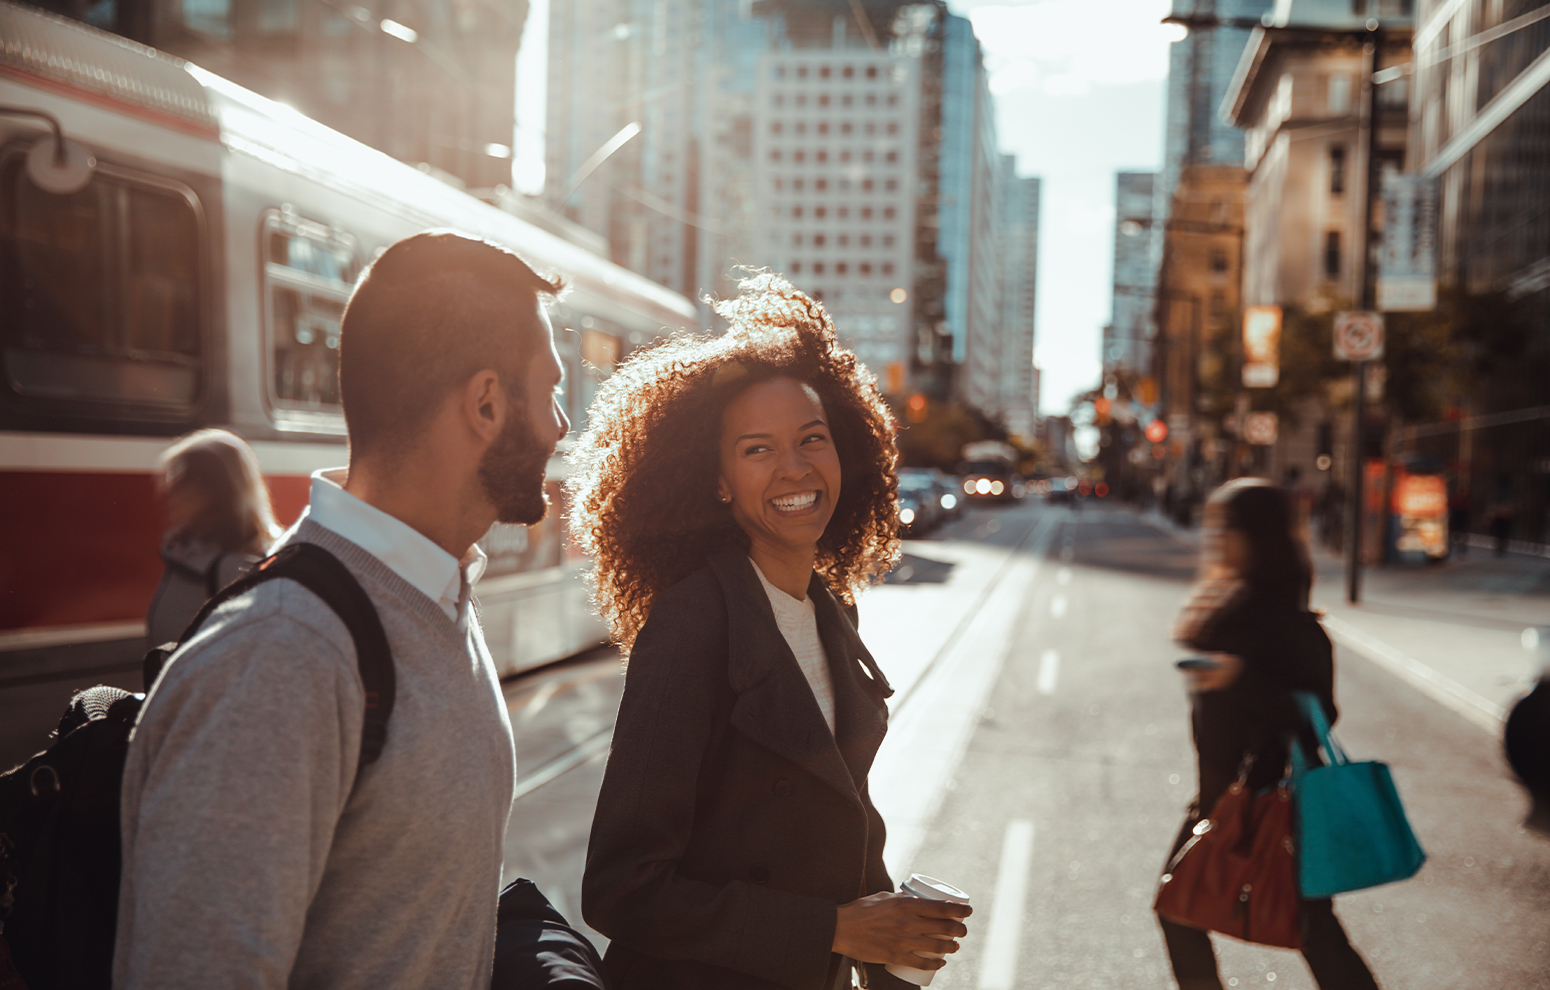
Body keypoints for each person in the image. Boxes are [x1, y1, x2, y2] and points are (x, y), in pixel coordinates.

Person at [115, 230, 569, 989]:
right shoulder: (280, 658)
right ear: (487, 403)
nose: (560, 425)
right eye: (550, 390)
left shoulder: (437, 599)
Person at [569, 274, 971, 990]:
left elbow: (844, 825)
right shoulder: (691, 623)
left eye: (812, 439)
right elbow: (622, 889)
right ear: (718, 480)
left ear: (845, 452)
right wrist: (835, 930)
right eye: (758, 449)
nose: (794, 468)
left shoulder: (831, 609)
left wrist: (890, 934)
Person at [1159, 478, 1380, 990]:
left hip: (1274, 804)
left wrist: (1237, 679)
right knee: (1181, 910)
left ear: (1259, 537)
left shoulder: (1294, 625)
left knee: (1311, 931)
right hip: (1220, 797)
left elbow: (1315, 715)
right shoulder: (1232, 604)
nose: (1216, 538)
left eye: (1228, 528)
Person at [144, 428, 280, 646]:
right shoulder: (184, 552)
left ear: (216, 489)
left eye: (184, 479)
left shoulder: (235, 568)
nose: (169, 489)